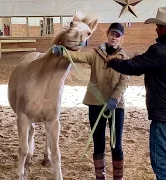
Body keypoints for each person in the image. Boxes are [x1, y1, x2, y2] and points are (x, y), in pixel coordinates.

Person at [106, 7, 166, 180]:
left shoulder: (160, 49)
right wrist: (145, 60)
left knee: (161, 162)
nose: (156, 29)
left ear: (164, 28)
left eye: (158, 26)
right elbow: (160, 67)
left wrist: (113, 62)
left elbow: (133, 67)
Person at [52, 22, 130, 180]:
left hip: (116, 106)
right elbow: (79, 56)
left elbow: (124, 82)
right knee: (98, 143)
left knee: (117, 145)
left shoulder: (124, 59)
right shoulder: (95, 54)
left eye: (117, 35)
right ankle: (100, 177)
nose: (114, 37)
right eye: (112, 34)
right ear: (107, 34)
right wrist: (63, 52)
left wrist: (115, 99)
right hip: (95, 104)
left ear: (121, 38)